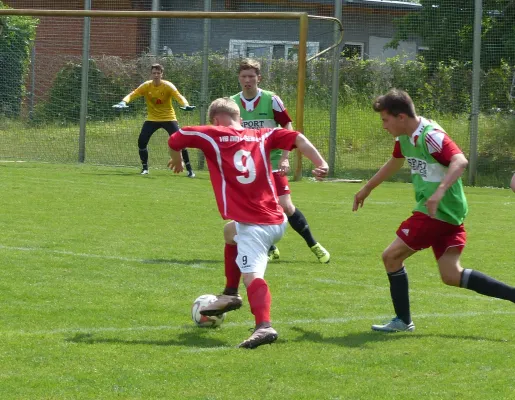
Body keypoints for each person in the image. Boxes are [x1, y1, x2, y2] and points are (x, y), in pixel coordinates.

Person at [167, 97, 329, 348]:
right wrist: (321, 163)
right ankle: (230, 294)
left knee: (252, 276)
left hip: (256, 226)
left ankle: (264, 326)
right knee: (229, 232)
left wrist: (177, 158)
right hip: (276, 219)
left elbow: (174, 138)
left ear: (216, 120)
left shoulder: (212, 134)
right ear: (238, 117)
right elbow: (297, 137)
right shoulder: (262, 134)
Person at [353, 88, 515, 332]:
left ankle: (403, 321)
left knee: (391, 256)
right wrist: (367, 188)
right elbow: (395, 162)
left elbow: (460, 160)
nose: (384, 126)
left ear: (401, 117)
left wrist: (439, 192)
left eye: (385, 120)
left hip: (437, 211)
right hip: (446, 213)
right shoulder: (405, 138)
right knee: (451, 274)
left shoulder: (431, 136)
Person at [231, 58, 330, 263]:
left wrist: (285, 157)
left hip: (274, 161)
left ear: (259, 78)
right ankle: (270, 246)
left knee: (285, 206)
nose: (247, 80)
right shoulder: (232, 103)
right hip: (248, 165)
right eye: (243, 76)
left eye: (251, 76)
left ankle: (314, 244)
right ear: (239, 78)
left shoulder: (271, 99)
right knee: (252, 208)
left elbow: (288, 128)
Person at [113, 63, 196, 177]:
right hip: (152, 119)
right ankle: (145, 168)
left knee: (180, 142)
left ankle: (190, 170)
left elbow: (179, 96)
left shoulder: (168, 86)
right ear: (151, 74)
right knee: (142, 141)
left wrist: (186, 104)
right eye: (154, 73)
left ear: (162, 74)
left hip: (168, 118)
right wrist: (124, 102)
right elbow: (133, 94)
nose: (156, 75)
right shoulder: (146, 86)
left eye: (158, 73)